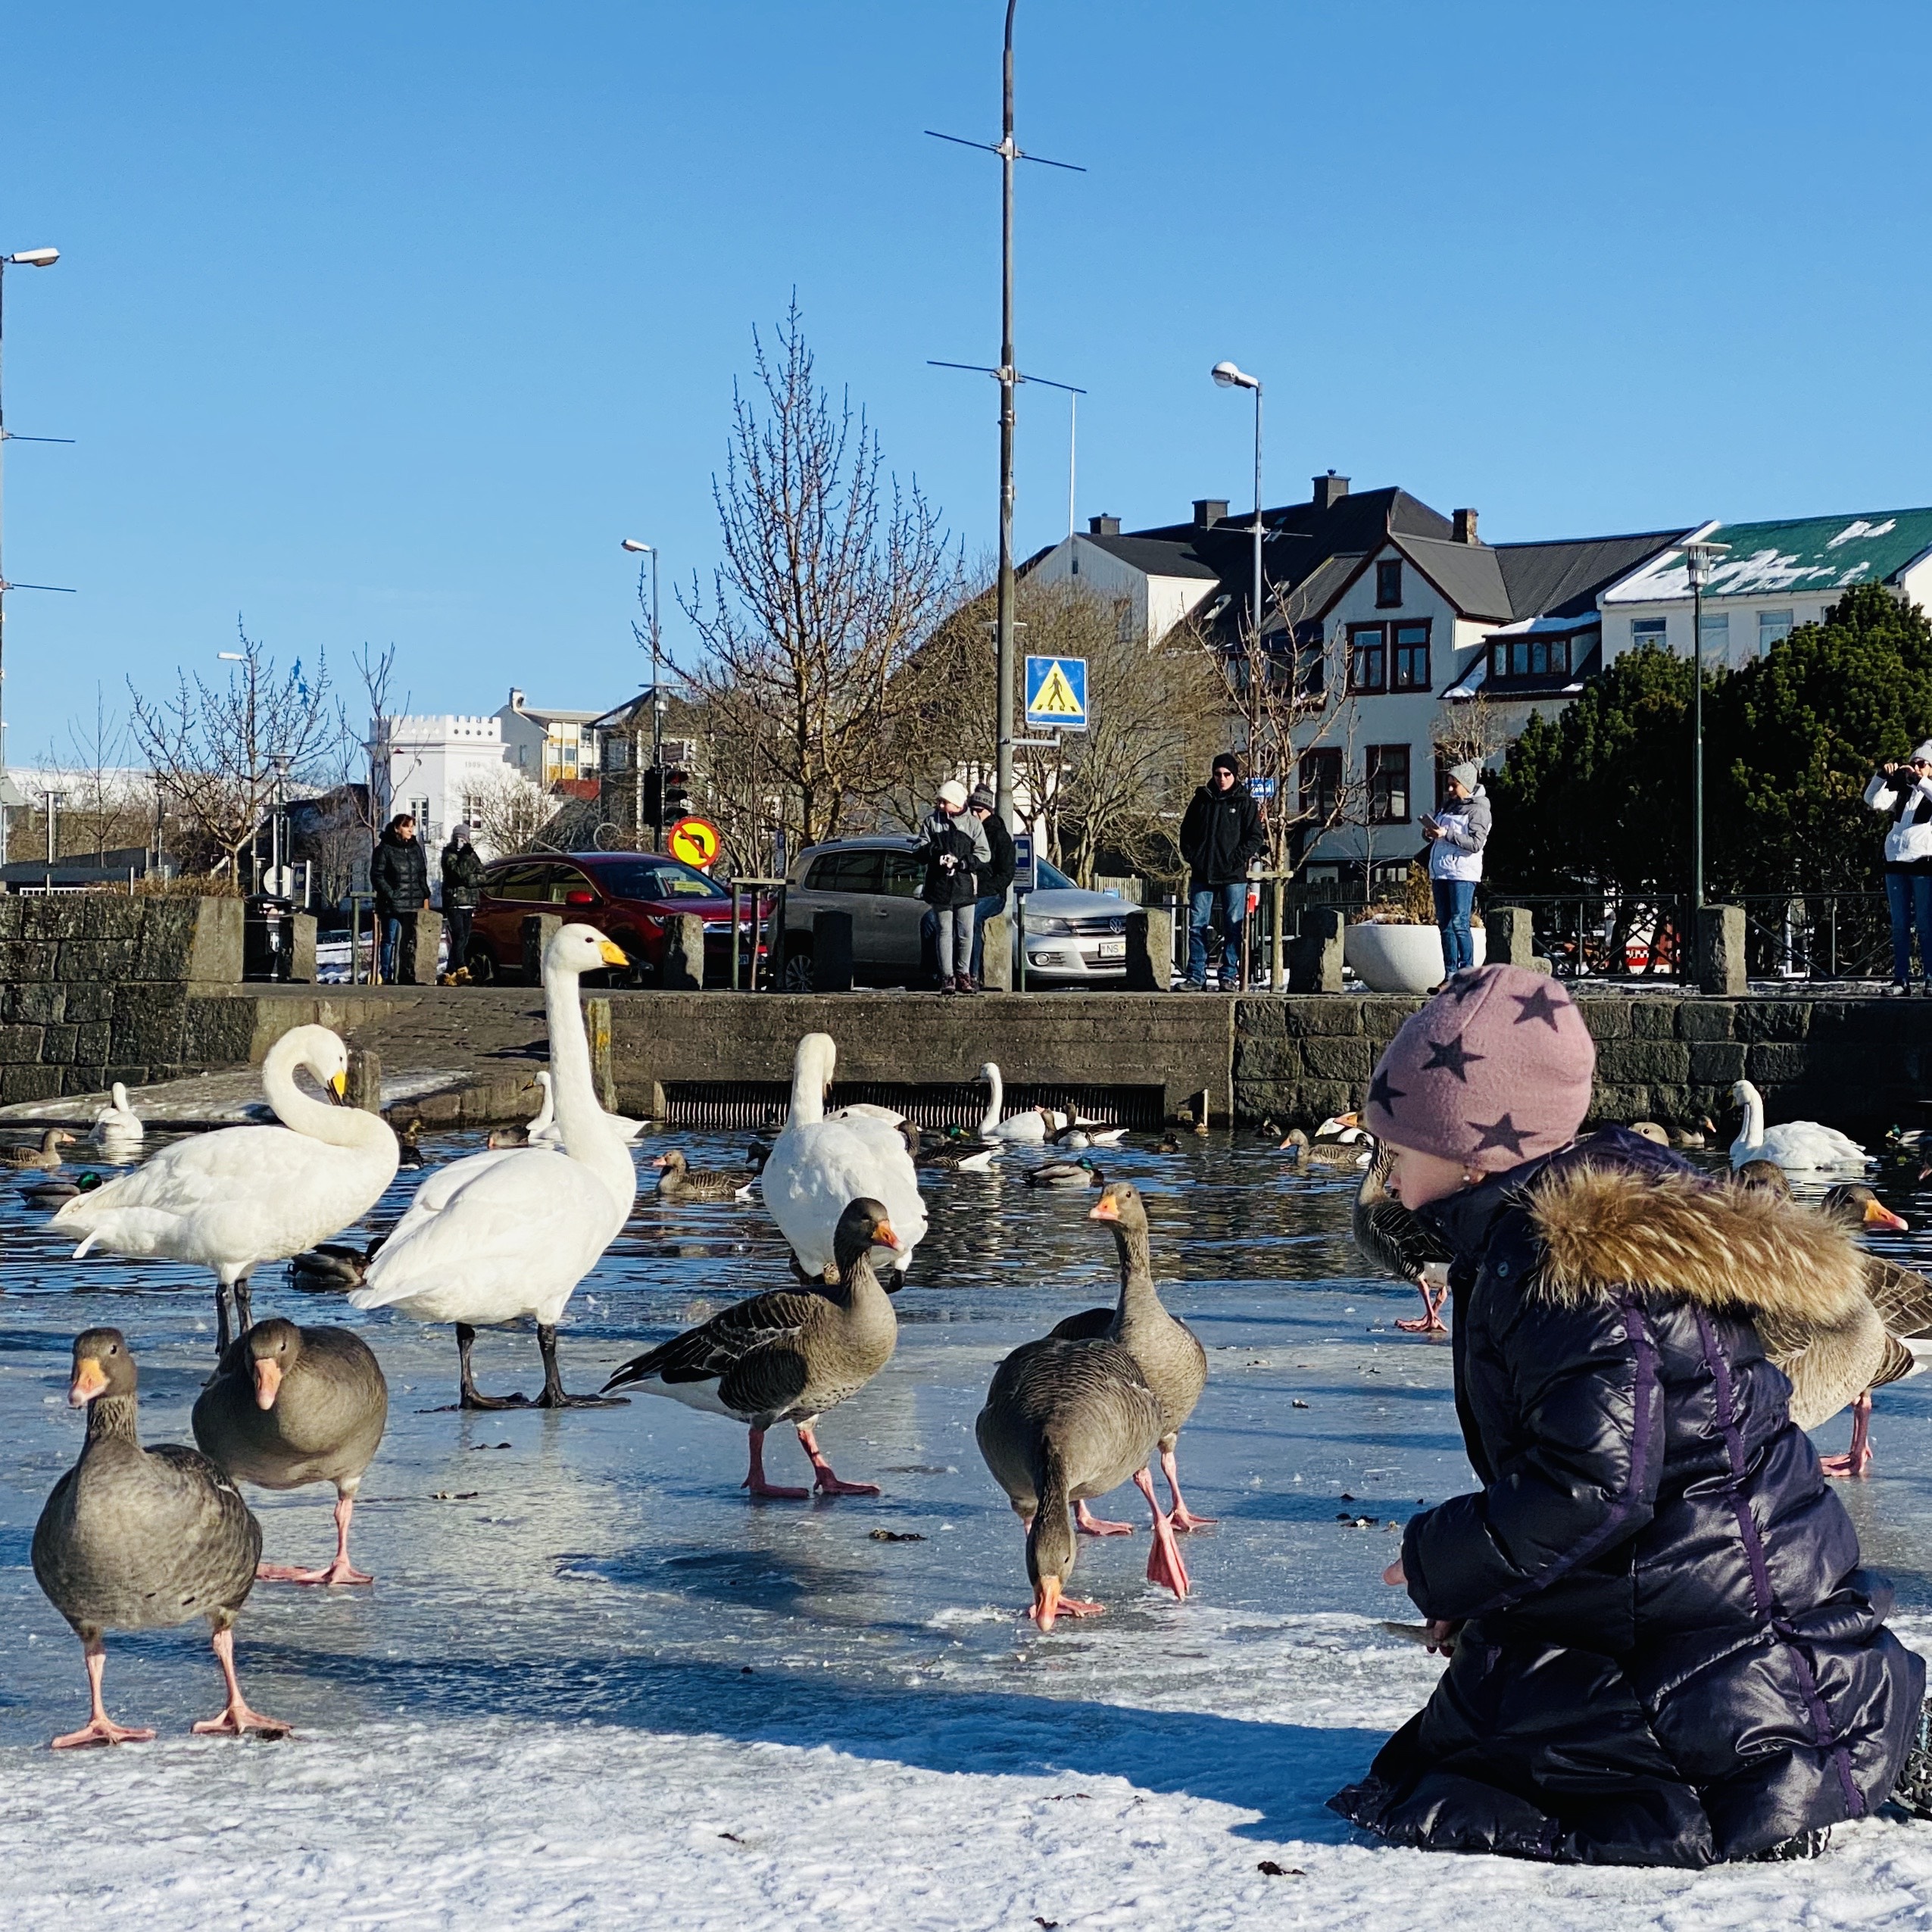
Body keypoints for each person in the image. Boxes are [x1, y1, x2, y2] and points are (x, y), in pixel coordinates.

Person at [1328, 963, 1925, 1866]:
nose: (1385, 1172)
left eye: (1393, 1149)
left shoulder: (1567, 1267)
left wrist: (1442, 1563)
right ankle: (1839, 1727)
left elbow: (1593, 1486)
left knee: (1495, 1754)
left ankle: (1786, 1772)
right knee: (1485, 1708)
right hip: (1711, 1574)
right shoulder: (1543, 1229)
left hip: (1704, 1604)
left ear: (1468, 1149)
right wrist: (1489, 1591)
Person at [1178, 752, 1263, 991]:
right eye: (1218, 774)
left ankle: (1228, 975)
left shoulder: (1245, 802)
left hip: (1233, 876)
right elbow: (1186, 832)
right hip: (1203, 874)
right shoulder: (1201, 800)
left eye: (1227, 774)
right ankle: (1196, 975)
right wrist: (1194, 858)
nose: (1222, 779)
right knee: (1197, 926)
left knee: (1233, 926)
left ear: (1234, 775)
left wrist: (1235, 859)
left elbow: (1255, 837)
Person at [1864, 743, 1932, 995]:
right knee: (1899, 925)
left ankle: (1930, 978)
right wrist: (1882, 777)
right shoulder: (1903, 794)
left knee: (1926, 924)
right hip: (1896, 863)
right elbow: (1872, 800)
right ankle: (1900, 980)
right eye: (1912, 763)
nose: (1915, 768)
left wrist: (1921, 781)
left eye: (1921, 764)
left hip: (1924, 864)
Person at [915, 779, 989, 994]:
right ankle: (947, 976)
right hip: (939, 885)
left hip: (964, 885)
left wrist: (963, 863)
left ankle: (964, 974)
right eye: (939, 801)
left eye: (944, 801)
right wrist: (935, 854)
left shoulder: (973, 824)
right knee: (944, 931)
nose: (940, 805)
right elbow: (919, 849)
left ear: (956, 802)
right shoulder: (931, 822)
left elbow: (984, 854)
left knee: (966, 931)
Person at [1422, 760, 1490, 990]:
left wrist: (1446, 833)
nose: (1450, 789)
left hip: (1462, 873)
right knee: (1445, 924)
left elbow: (1476, 844)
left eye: (1455, 785)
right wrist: (1430, 833)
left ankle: (1467, 973)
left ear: (1467, 784)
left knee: (1460, 922)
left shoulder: (1479, 810)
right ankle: (1450, 974)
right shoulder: (1448, 806)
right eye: (1449, 784)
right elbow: (1440, 835)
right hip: (1441, 871)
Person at [370, 811, 428, 985]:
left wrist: (424, 892)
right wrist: (391, 893)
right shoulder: (385, 849)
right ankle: (386, 975)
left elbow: (421, 872)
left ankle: (406, 974)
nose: (411, 830)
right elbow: (377, 875)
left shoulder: (415, 848)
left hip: (413, 901)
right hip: (392, 903)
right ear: (397, 828)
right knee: (389, 939)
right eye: (407, 827)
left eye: (412, 827)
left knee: (409, 940)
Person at [966, 784, 1014, 981]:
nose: (974, 814)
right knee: (930, 921)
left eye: (979, 810)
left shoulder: (1000, 836)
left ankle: (972, 974)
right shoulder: (967, 831)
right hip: (966, 891)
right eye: (972, 810)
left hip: (991, 895)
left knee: (971, 920)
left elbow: (1006, 874)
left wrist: (984, 889)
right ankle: (938, 975)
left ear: (989, 810)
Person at [440, 823, 485, 982]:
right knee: (458, 935)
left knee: (465, 937)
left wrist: (469, 880)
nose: (460, 841)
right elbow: (457, 874)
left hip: (469, 901)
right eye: (457, 838)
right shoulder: (449, 853)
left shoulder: (471, 854)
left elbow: (482, 875)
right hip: (454, 901)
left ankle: (450, 971)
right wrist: (465, 859)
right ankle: (461, 967)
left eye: (463, 838)